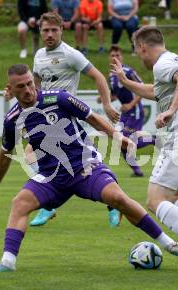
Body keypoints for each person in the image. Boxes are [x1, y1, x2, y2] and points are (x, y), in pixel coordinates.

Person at [0, 64, 178, 274]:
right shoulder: (12, 119)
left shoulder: (58, 98)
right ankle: (8, 261)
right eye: (21, 86)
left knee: (118, 198)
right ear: (10, 89)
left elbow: (92, 118)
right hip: (52, 177)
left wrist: (118, 137)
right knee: (19, 203)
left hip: (85, 167)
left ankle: (171, 246)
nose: (28, 90)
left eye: (30, 83)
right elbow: (4, 154)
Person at [110, 26, 178, 278]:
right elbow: (157, 91)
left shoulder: (163, 64)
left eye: (137, 52)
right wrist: (127, 82)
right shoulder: (177, 60)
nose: (139, 57)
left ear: (143, 46)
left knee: (155, 200)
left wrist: (171, 111)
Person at [28, 12, 120, 227]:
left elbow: (97, 76)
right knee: (34, 155)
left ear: (62, 30)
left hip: (66, 117)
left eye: (53, 30)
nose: (49, 34)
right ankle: (49, 206)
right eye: (45, 30)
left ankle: (113, 203)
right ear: (40, 31)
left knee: (87, 162)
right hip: (45, 117)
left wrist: (106, 104)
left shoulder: (71, 55)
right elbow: (36, 84)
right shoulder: (39, 55)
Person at [107, 45, 155, 177]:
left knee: (128, 142)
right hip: (126, 113)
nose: (115, 58)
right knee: (120, 141)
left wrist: (130, 104)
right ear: (109, 58)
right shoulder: (111, 76)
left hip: (135, 111)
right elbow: (114, 95)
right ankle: (137, 172)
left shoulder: (128, 71)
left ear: (122, 57)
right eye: (112, 55)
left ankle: (153, 139)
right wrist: (105, 99)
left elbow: (143, 88)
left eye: (117, 55)